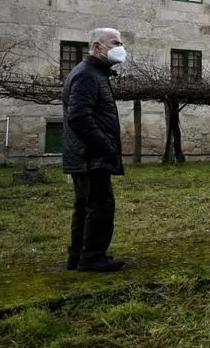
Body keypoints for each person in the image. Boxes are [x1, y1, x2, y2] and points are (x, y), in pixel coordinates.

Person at [62, 27, 127, 272]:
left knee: (86, 206)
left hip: (86, 154)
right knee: (100, 206)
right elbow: (79, 117)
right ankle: (93, 257)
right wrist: (106, 147)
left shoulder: (93, 73)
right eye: (115, 43)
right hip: (90, 155)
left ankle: (79, 255)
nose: (120, 48)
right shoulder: (88, 75)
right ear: (97, 47)